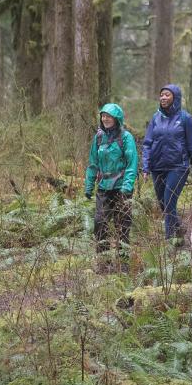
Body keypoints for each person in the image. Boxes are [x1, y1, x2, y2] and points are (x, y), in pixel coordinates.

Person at [141, 84, 192, 244]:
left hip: (178, 167)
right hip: (157, 167)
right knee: (163, 203)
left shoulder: (185, 118)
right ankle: (179, 228)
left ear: (175, 97)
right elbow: (147, 143)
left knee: (169, 202)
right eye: (161, 95)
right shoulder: (155, 118)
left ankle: (169, 242)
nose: (163, 98)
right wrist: (145, 166)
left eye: (167, 95)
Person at [84, 103, 138, 271]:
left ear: (117, 118)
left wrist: (127, 186)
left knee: (123, 226)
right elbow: (93, 163)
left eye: (108, 116)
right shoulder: (99, 138)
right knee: (100, 223)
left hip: (122, 188)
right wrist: (89, 184)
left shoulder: (126, 137)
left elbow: (132, 163)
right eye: (103, 116)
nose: (105, 118)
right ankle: (103, 262)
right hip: (103, 188)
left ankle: (123, 263)